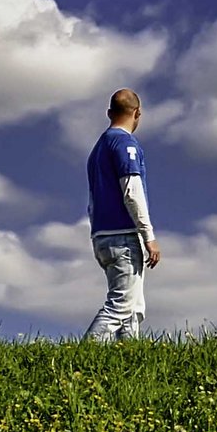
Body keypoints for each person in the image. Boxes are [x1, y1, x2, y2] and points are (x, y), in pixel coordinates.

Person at [84, 88, 160, 342]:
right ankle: (79, 358)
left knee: (133, 308)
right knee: (121, 306)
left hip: (102, 235)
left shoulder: (98, 149)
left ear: (109, 113)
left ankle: (129, 358)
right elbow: (132, 191)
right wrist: (148, 235)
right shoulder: (125, 143)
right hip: (123, 235)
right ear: (138, 113)